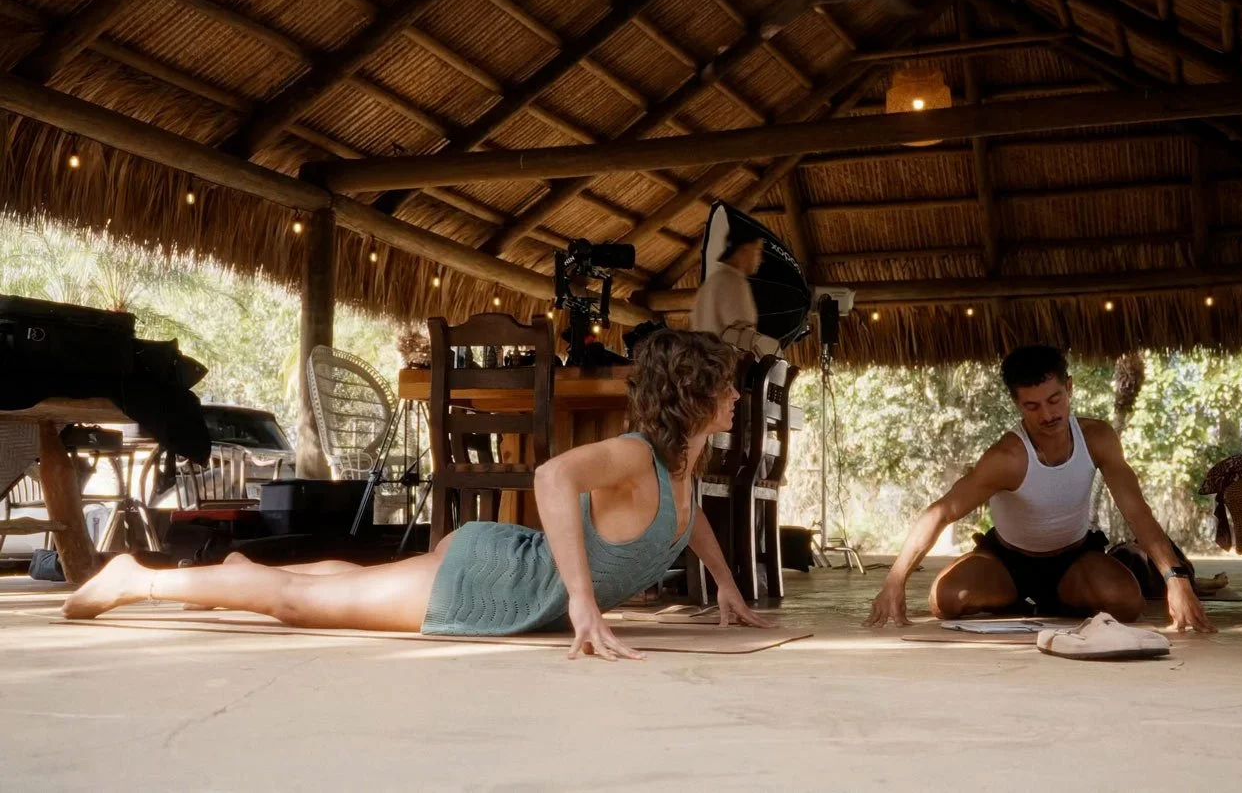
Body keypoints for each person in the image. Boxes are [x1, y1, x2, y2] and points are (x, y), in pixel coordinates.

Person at [63, 330, 773, 661]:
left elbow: (689, 519)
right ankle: (138, 580)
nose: (737, 397)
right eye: (725, 386)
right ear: (690, 396)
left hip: (499, 566)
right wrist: (583, 602)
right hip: (491, 582)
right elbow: (551, 476)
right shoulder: (632, 455)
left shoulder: (683, 465)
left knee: (356, 585)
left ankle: (244, 572)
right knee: (298, 609)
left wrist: (727, 587)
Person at [864, 345, 1215, 633]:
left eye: (1055, 399)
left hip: (1073, 558)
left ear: (1070, 387)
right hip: (1007, 561)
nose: (1048, 414)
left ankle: (1065, 594)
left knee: (1126, 604)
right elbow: (940, 512)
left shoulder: (1098, 439)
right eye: (1032, 406)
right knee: (946, 602)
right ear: (1018, 405)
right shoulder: (1006, 457)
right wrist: (895, 582)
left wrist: (1175, 578)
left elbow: (1137, 512)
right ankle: (1017, 597)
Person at [690, 224, 777, 356]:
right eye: (758, 250)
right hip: (726, 368)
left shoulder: (710, 284)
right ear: (745, 249)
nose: (761, 258)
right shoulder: (734, 282)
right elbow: (743, 339)